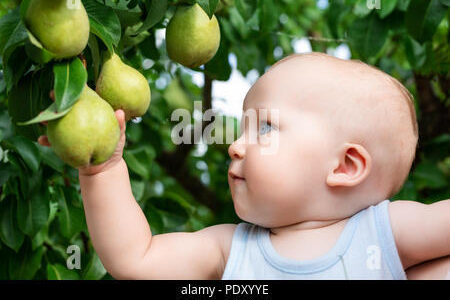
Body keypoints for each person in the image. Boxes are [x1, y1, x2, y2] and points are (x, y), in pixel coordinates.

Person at [38, 52, 449, 279]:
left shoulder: (383, 234)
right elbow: (136, 259)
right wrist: (103, 168)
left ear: (344, 166)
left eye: (265, 126)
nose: (235, 145)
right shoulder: (231, 249)